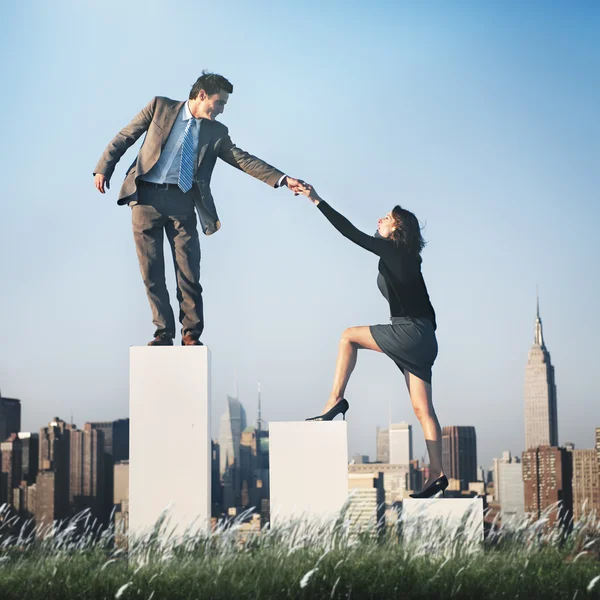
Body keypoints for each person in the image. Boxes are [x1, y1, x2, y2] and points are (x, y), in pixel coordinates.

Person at [93, 71, 305, 346]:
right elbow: (125, 136)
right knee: (151, 271)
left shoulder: (216, 132)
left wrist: (282, 179)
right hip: (145, 199)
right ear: (202, 95)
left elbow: (243, 160)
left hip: (182, 202)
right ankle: (163, 332)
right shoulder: (160, 107)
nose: (221, 110)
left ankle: (191, 333)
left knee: (188, 271)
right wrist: (103, 168)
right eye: (219, 103)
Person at [299, 183, 447, 499]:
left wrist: (316, 200)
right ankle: (437, 473)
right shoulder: (408, 256)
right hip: (425, 336)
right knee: (423, 410)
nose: (380, 220)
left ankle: (334, 400)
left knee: (348, 337)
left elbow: (349, 233)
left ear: (398, 229)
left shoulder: (394, 249)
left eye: (386, 218)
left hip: (410, 331)